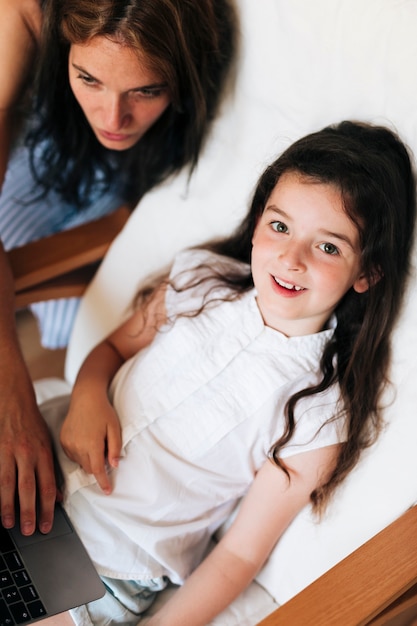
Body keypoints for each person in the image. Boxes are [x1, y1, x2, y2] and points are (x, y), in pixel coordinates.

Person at [40, 120, 415, 625]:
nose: (290, 257)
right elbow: (111, 348)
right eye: (280, 226)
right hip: (40, 468)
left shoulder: (318, 412)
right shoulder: (201, 279)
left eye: (328, 247)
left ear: (367, 273)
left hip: (105, 563)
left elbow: (238, 556)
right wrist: (88, 396)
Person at [0, 0, 237, 535]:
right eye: (88, 78)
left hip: (114, 185)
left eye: (146, 90)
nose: (113, 116)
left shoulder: (196, 36)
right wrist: (13, 397)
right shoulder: (26, 17)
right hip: (38, 152)